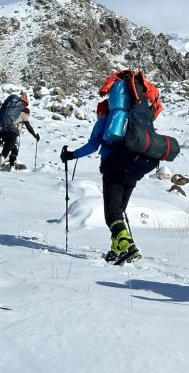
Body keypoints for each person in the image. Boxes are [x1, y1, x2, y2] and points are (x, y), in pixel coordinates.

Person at [60, 99, 158, 264]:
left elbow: (92, 145)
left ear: (103, 112)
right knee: (118, 212)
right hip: (133, 172)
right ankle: (115, 250)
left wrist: (70, 155)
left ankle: (129, 247)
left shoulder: (104, 123)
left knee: (112, 215)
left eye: (97, 113)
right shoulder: (132, 123)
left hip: (113, 170)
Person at [0, 92, 39, 170]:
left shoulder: (9, 112)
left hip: (4, 131)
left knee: (14, 150)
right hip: (12, 132)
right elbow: (28, 127)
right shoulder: (24, 113)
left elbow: (4, 125)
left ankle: (11, 166)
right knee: (6, 150)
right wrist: (35, 135)